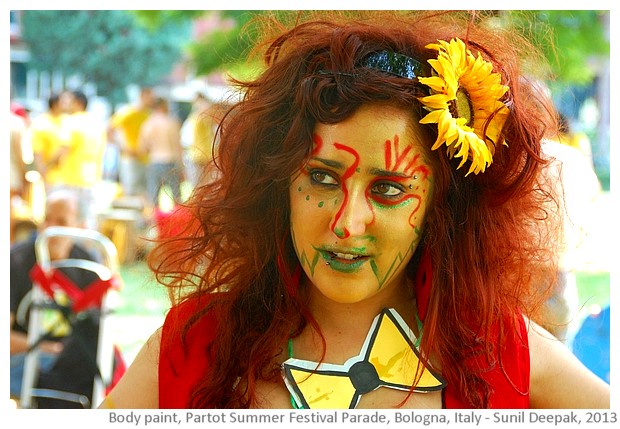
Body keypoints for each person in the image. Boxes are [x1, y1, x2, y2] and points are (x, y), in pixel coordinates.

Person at [100, 11, 610, 409]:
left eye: (388, 189)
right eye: (322, 178)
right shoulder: (192, 346)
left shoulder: (508, 357)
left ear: (440, 205)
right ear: (277, 184)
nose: (347, 222)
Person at [10, 189, 101, 407]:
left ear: (80, 227)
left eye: (61, 221)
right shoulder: (16, 260)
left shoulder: (88, 263)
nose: (50, 228)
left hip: (74, 362)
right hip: (26, 359)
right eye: (47, 219)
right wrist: (42, 347)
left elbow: (97, 330)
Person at [52, 90, 107, 228]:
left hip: (71, 180)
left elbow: (62, 149)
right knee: (86, 221)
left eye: (68, 101)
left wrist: (48, 164)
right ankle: (85, 249)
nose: (65, 105)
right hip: (91, 180)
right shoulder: (97, 123)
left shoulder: (71, 122)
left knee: (67, 221)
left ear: (78, 103)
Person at [137, 97, 184, 211]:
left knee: (154, 198)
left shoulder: (148, 124)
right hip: (172, 161)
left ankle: (156, 225)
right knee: (177, 197)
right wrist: (182, 167)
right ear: (163, 106)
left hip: (155, 160)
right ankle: (178, 223)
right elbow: (178, 146)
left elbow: (142, 148)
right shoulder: (173, 123)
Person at [108, 87, 154, 202]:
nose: (152, 100)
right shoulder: (128, 112)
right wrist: (123, 148)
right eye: (150, 97)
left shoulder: (149, 114)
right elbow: (110, 129)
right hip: (131, 158)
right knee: (130, 191)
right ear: (143, 96)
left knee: (145, 192)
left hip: (146, 158)